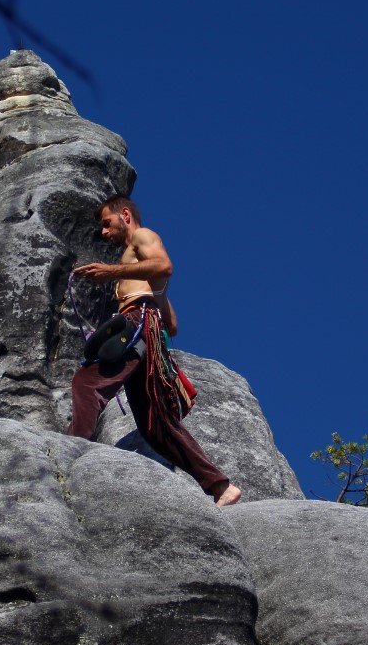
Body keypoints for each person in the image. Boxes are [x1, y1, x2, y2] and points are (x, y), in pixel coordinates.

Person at [68, 196, 241, 506]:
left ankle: (70, 452)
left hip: (138, 322)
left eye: (107, 224)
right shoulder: (135, 266)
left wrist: (111, 273)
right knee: (155, 425)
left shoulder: (142, 237)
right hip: (149, 327)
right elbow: (171, 323)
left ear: (125, 214)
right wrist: (152, 294)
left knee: (86, 382)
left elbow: (165, 265)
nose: (104, 233)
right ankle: (220, 487)